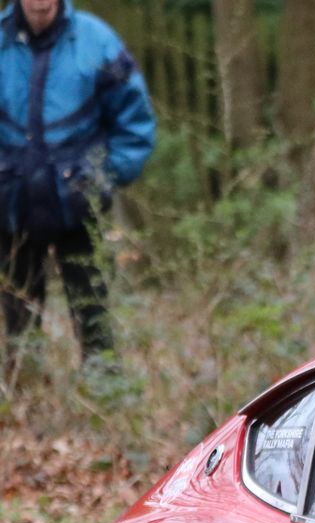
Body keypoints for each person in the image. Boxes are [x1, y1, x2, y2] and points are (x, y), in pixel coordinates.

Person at [0, 0, 154, 360]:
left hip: (78, 206)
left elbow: (135, 124)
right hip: (11, 209)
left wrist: (103, 177)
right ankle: (29, 396)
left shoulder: (96, 41)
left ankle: (106, 395)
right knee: (18, 323)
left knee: (94, 316)